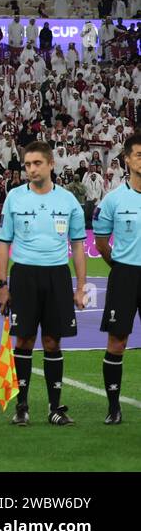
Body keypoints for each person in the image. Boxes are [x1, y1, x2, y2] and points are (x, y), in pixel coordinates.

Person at [0, 140, 88, 426]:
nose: (31, 169)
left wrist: (81, 286)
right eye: (27, 165)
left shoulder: (69, 201)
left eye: (37, 164)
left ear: (51, 164)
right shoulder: (14, 197)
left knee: (52, 341)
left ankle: (55, 408)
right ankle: (22, 406)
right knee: (23, 339)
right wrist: (2, 284)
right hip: (24, 275)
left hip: (57, 275)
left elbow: (77, 245)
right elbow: (3, 242)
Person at [93, 132, 141, 425]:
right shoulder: (113, 200)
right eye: (139, 155)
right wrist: (121, 267)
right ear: (127, 159)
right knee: (117, 340)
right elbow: (100, 243)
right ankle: (114, 407)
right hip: (124, 274)